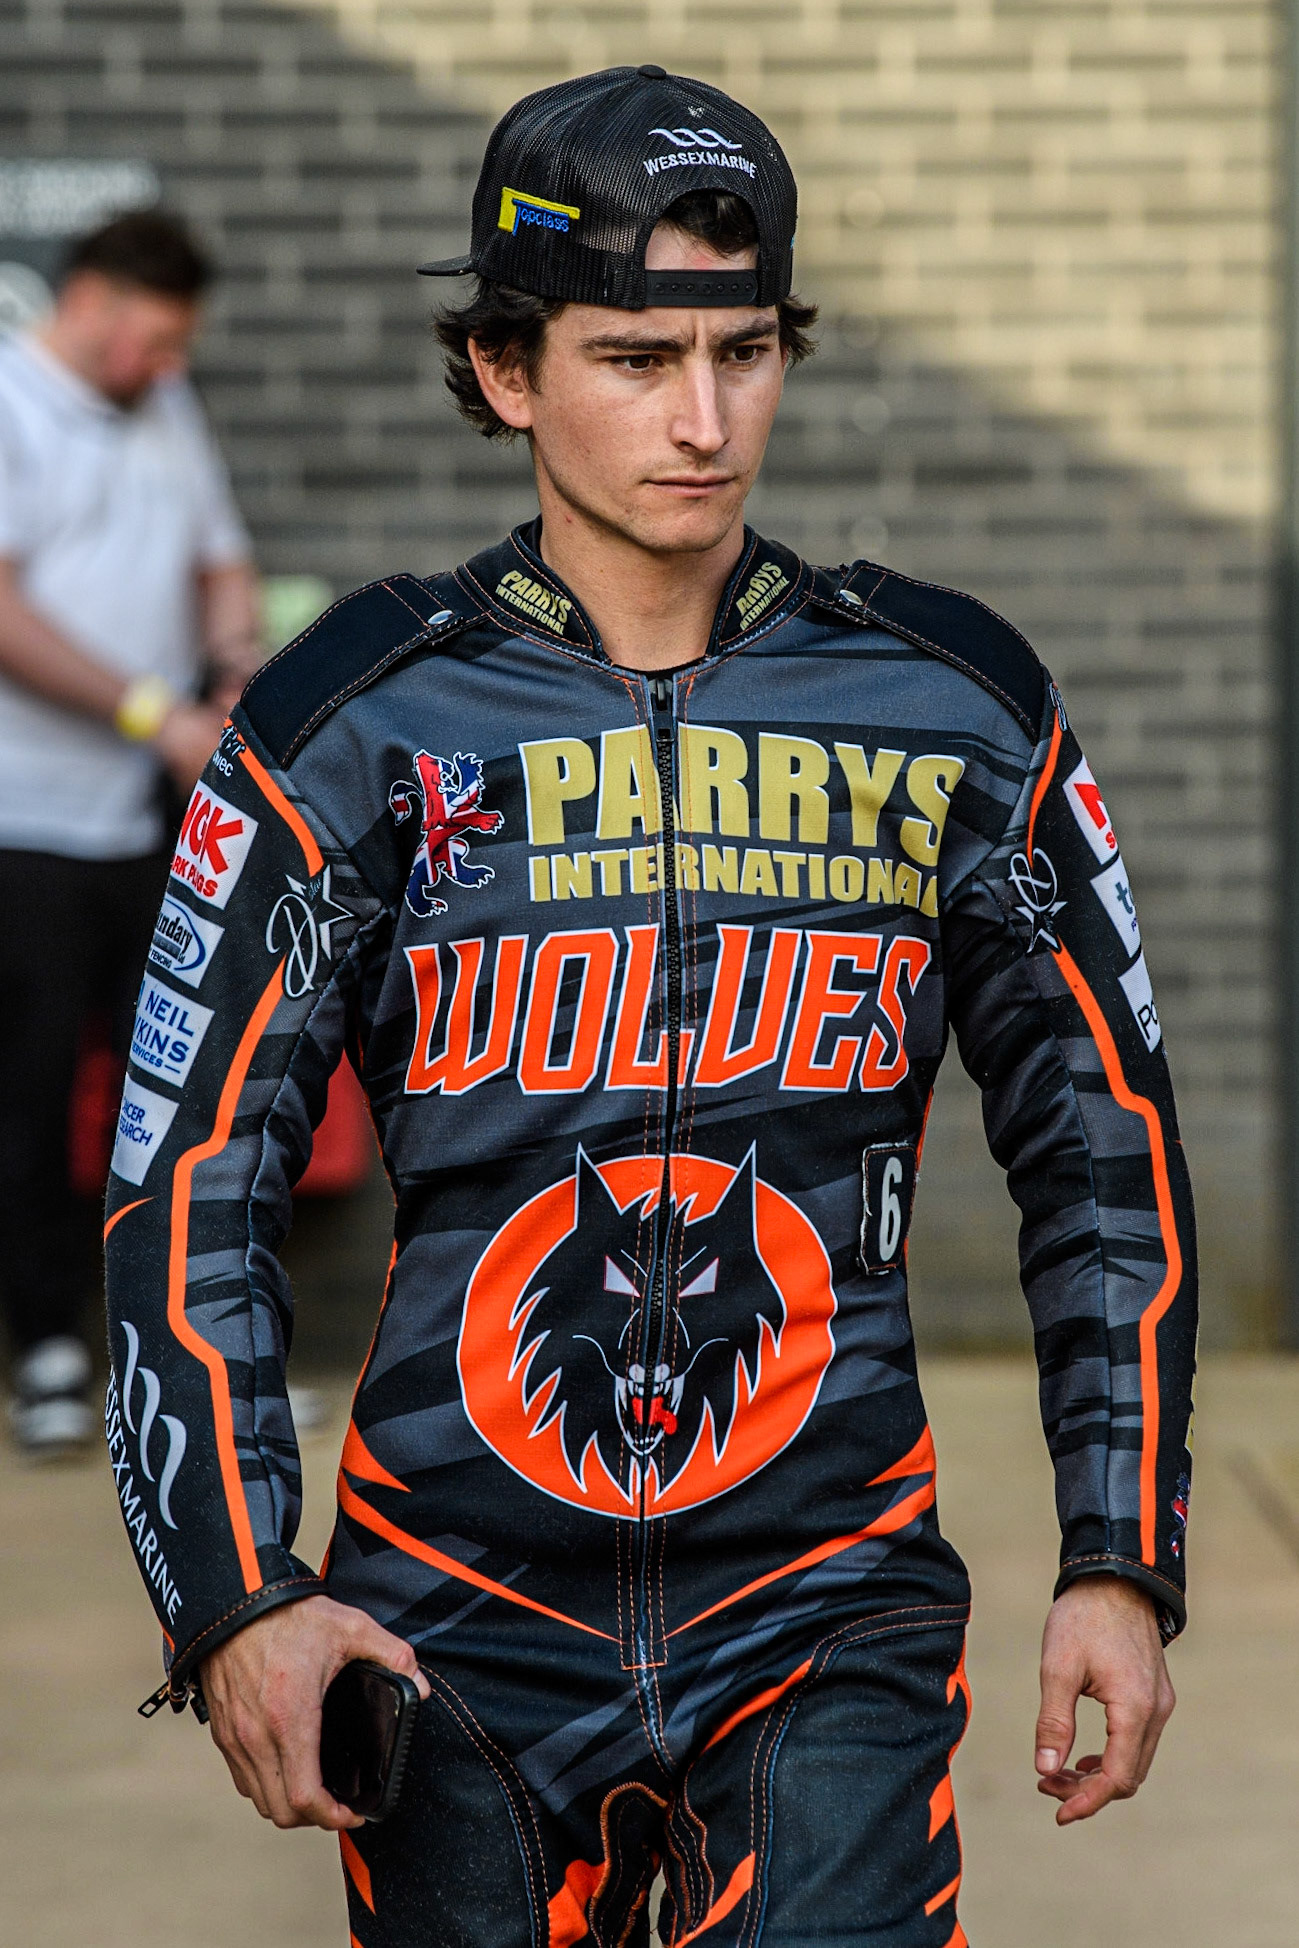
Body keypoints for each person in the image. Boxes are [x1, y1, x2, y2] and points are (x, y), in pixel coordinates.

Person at [105, 67, 1196, 1948]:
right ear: (506, 370)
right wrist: (232, 1593)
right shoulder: (348, 723)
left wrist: (1118, 1556)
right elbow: (183, 1183)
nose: (703, 421)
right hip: (448, 1611)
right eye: (632, 357)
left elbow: (1104, 1151)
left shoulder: (951, 701)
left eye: (745, 350)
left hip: (826, 1593)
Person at [0, 209, 259, 1455]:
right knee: (35, 1087)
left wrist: (236, 663)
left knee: (175, 1082)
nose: (167, 366)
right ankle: (49, 1350)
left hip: (150, 823)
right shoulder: (9, 402)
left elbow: (221, 560)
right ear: (92, 299)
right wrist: (159, 713)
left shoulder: (165, 405)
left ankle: (168, 1356)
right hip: (26, 823)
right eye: (153, 340)